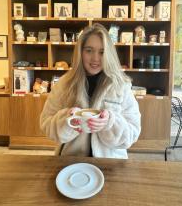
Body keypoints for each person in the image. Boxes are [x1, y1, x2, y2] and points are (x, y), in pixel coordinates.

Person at [40, 23, 141, 159]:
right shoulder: (63, 84)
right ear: (80, 52)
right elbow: (46, 125)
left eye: (102, 52)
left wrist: (109, 123)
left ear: (109, 54)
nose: (95, 58)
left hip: (110, 164)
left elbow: (133, 132)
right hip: (70, 161)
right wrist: (67, 120)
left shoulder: (121, 86)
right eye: (89, 50)